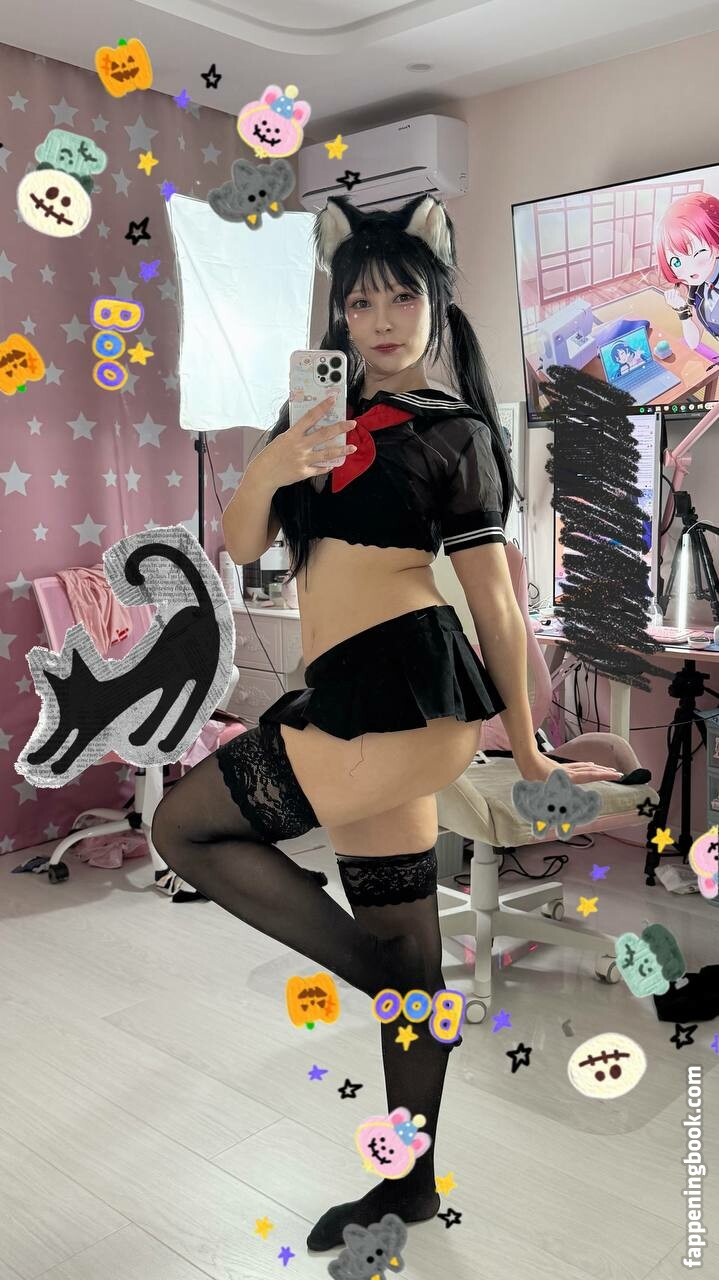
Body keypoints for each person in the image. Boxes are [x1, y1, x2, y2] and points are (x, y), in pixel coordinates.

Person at [151, 194, 621, 1251]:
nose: (380, 320)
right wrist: (272, 463)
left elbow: (496, 604)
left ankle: (401, 992)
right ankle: (406, 1183)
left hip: (402, 698)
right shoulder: (307, 422)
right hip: (357, 702)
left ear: (435, 300)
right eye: (358, 301)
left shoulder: (454, 433)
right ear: (338, 314)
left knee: (182, 828)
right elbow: (240, 545)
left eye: (401, 297)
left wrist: (529, 743)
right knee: (408, 934)